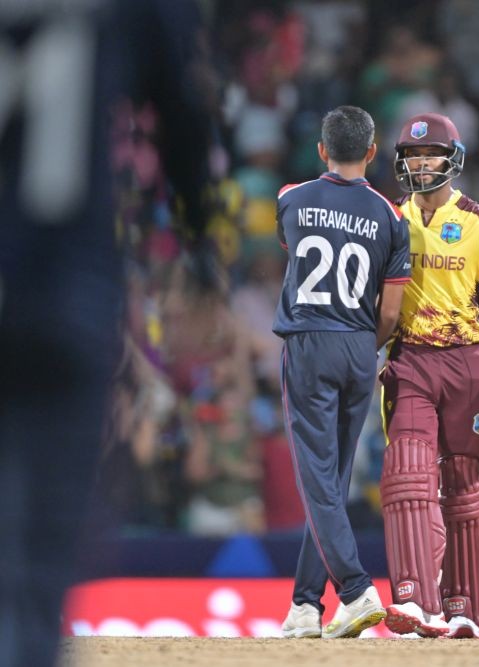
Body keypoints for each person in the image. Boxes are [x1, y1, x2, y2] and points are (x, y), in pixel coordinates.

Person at [0, 2, 213, 666]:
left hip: (64, 296)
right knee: (39, 566)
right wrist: (203, 252)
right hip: (66, 292)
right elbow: (184, 109)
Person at [379, 112, 479, 639]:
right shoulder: (388, 218)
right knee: (408, 474)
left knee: (463, 489)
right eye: (411, 156)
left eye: (430, 155)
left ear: (453, 159)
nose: (421, 163)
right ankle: (414, 601)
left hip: (468, 364)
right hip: (411, 360)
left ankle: (465, 610)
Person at [276, 106, 411, 639]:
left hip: (310, 341)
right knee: (330, 480)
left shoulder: (291, 198)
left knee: (317, 481)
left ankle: (354, 591)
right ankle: (306, 605)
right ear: (373, 153)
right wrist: (362, 347)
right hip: (360, 346)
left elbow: (297, 257)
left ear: (321, 149)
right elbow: (392, 314)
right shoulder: (391, 216)